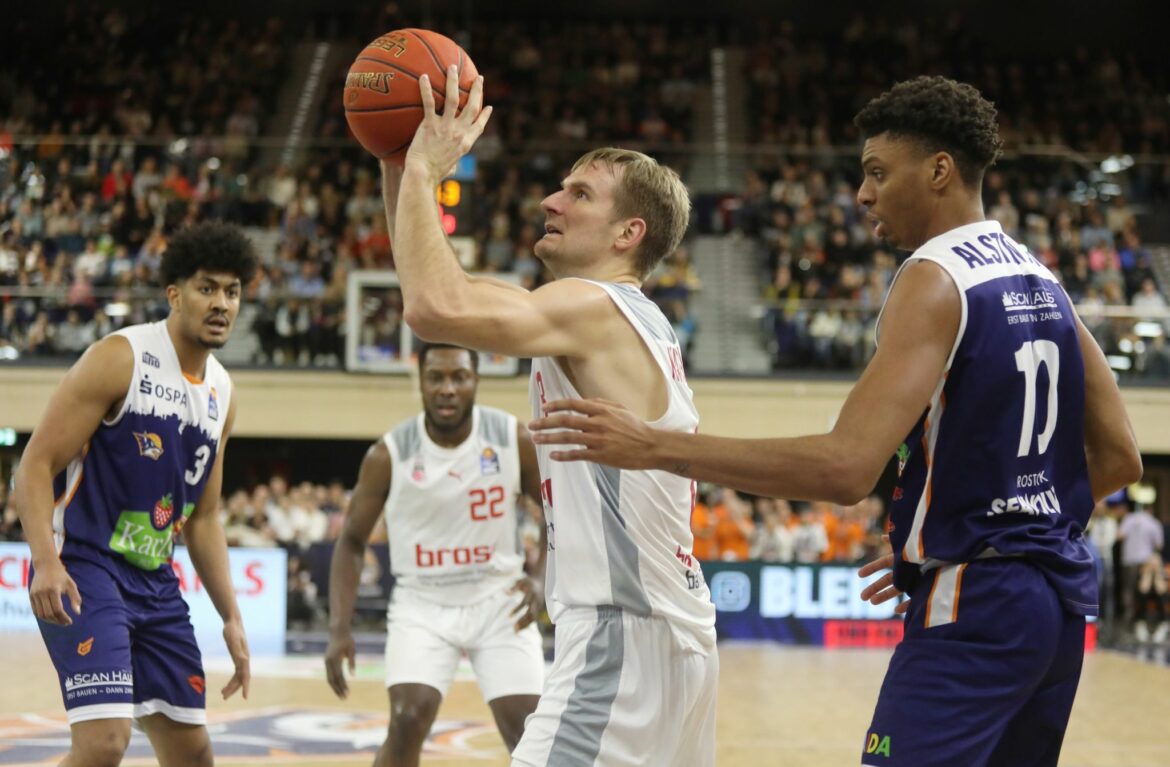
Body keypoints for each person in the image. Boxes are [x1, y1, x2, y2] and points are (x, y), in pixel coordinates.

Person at [529, 76, 1143, 767]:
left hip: (976, 604)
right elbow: (1121, 455)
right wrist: (973, 534)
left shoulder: (933, 276)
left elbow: (846, 467)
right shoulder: (1042, 276)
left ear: (938, 170)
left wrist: (658, 445)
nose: (862, 194)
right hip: (1055, 606)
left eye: (878, 172)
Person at [384, 68, 717, 766]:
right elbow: (437, 287)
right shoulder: (631, 319)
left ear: (630, 232)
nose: (550, 200)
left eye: (580, 193)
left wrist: (423, 170)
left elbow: (433, 309)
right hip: (671, 634)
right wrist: (398, 166)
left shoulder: (594, 307)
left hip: (623, 637)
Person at [14, 221, 257, 767]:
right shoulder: (121, 357)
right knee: (104, 742)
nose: (221, 303)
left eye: (233, 291)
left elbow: (204, 519)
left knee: (193, 754)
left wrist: (232, 617)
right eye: (207, 288)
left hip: (154, 582)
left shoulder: (223, 393)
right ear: (174, 294)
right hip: (84, 567)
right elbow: (34, 465)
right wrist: (46, 563)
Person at [324, 343, 545, 766]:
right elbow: (351, 542)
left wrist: (539, 580)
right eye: (436, 377)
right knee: (408, 718)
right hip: (422, 603)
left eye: (458, 377)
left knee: (529, 729)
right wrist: (339, 629)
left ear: (475, 380)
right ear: (421, 382)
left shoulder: (511, 438)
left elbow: (561, 518)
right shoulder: (388, 455)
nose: (447, 389)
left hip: (499, 600)